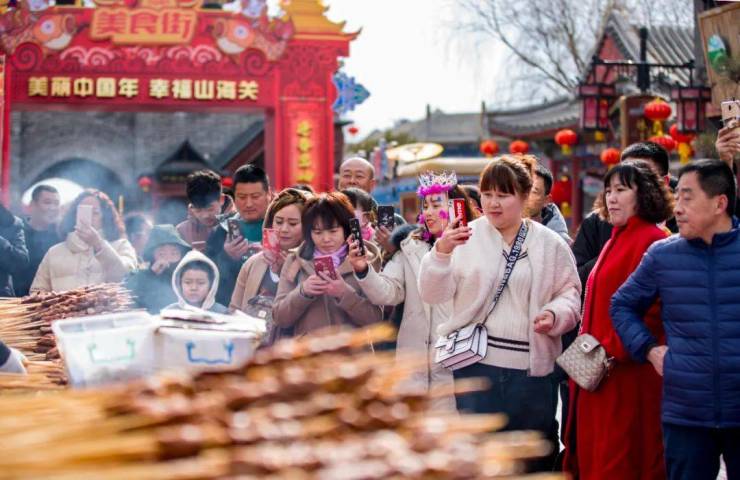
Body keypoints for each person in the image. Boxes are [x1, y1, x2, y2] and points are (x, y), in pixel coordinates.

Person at [418, 154, 581, 470]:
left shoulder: (549, 243)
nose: (493, 203)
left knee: (533, 459)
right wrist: (441, 253)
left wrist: (554, 314)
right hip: (476, 367)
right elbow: (433, 294)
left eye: (503, 195)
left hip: (533, 372)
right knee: (482, 461)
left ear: (524, 196)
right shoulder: (465, 236)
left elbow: (570, 294)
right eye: (487, 194)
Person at [611, 159, 740, 480]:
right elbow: (622, 305)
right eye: (676, 196)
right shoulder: (663, 255)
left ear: (719, 203)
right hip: (686, 412)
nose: (677, 208)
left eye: (687, 197)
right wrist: (649, 350)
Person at [563, 161, 674, 479]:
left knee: (622, 460)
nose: (611, 198)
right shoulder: (616, 237)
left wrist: (610, 349)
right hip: (599, 373)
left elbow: (654, 311)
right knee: (598, 456)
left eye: (621, 190)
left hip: (628, 375)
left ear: (645, 194)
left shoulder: (653, 239)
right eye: (608, 190)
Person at [348, 171, 479, 411]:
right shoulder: (409, 246)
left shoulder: (476, 246)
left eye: (436, 205)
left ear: (456, 207)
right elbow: (389, 292)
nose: (428, 212)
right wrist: (363, 269)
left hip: (459, 363)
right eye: (425, 206)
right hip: (413, 364)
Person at [272, 192, 383, 336]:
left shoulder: (365, 260)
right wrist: (302, 292)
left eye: (333, 231)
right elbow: (279, 318)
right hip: (308, 349)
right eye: (318, 232)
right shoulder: (295, 261)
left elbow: (376, 319)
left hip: (354, 350)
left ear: (346, 229)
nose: (326, 239)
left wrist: (344, 293)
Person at [230, 188, 311, 343]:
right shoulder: (253, 263)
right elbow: (235, 309)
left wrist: (286, 274)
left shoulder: (312, 266)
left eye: (293, 223)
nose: (284, 229)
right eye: (278, 222)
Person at [31, 190, 137, 293]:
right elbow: (37, 291)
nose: (89, 217)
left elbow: (127, 277)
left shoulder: (121, 246)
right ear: (74, 216)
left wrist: (99, 245)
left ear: (105, 217)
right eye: (83, 211)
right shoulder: (54, 252)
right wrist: (56, 301)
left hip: (108, 306)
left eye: (95, 212)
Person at [207, 164, 273, 306]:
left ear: (269, 194)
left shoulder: (281, 227)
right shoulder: (222, 229)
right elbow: (206, 276)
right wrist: (226, 256)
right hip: (232, 307)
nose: (248, 204)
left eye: (255, 197)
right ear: (234, 197)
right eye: (242, 197)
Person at [338, 156, 405, 252]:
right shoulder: (324, 216)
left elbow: (409, 257)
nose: (352, 181)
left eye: (359, 176)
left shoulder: (395, 221)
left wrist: (392, 247)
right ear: (339, 182)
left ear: (372, 184)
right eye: (347, 175)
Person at [126, 225, 191, 313]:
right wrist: (150, 274)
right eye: (162, 254)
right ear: (151, 256)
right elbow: (128, 294)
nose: (168, 258)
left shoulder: (188, 275)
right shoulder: (138, 275)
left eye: (174, 253)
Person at [14, 185, 59, 297]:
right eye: (47, 202)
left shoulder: (60, 236)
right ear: (32, 205)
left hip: (50, 301)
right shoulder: (16, 232)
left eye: (56, 203)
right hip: (16, 300)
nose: (53, 208)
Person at [177, 170, 235, 252]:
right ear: (192, 206)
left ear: (221, 200)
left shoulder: (239, 223)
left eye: (210, 209)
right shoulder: (182, 231)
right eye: (198, 210)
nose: (205, 215)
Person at [528, 164, 571, 243]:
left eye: (533, 192)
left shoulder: (559, 242)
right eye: (521, 189)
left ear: (546, 200)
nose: (525, 196)